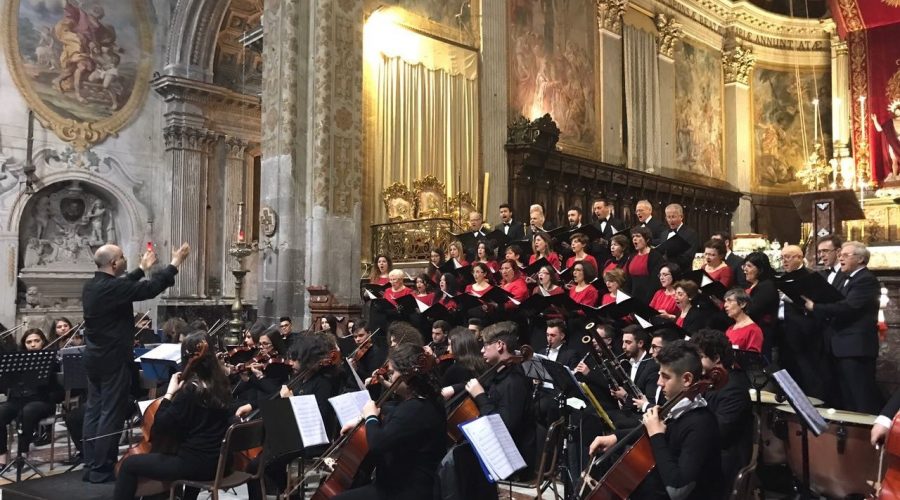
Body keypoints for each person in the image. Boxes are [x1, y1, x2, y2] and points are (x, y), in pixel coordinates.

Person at [81, 242, 189, 483]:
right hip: (113, 359)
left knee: (94, 410)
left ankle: (90, 464)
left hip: (94, 357)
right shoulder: (112, 289)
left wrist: (141, 268)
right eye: (121, 257)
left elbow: (123, 285)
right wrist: (175, 263)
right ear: (114, 263)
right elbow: (149, 289)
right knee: (110, 412)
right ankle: (101, 468)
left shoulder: (92, 286)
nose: (125, 259)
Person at [588, 340, 723, 500]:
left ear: (687, 380)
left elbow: (677, 490)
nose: (659, 383)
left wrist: (656, 436)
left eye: (666, 377)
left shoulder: (701, 424)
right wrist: (616, 437)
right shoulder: (678, 408)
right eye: (659, 374)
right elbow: (664, 432)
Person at [114, 333, 231, 500]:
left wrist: (169, 393)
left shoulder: (191, 390)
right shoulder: (222, 384)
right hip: (221, 464)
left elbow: (159, 427)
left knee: (128, 464)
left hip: (196, 465)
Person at [332, 343, 447, 500]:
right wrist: (365, 419)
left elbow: (378, 445)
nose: (390, 378)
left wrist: (371, 417)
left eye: (392, 373)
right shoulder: (425, 402)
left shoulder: (415, 409)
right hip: (404, 484)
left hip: (404, 490)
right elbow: (394, 416)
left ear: (406, 374)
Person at [803, 241, 882, 413]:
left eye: (846, 255)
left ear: (861, 259)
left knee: (861, 398)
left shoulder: (866, 280)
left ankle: (865, 436)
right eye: (840, 255)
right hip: (840, 347)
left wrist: (815, 307)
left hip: (856, 349)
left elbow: (849, 307)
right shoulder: (847, 279)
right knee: (846, 399)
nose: (841, 258)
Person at [462, 321, 537, 475]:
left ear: (499, 345)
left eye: (485, 345)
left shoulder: (514, 381)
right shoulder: (501, 373)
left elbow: (504, 427)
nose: (482, 350)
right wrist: (455, 388)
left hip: (513, 464)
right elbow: (483, 383)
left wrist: (480, 396)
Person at [690, 328, 752, 497]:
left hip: (723, 464)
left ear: (716, 358)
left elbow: (719, 432)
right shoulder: (709, 381)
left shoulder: (734, 388)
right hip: (707, 452)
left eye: (700, 357)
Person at [0, 329, 60, 467]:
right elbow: (5, 386)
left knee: (27, 411)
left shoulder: (51, 359)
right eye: (29, 342)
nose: (33, 344)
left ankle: (23, 452)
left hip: (42, 400)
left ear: (43, 342)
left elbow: (57, 388)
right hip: (17, 400)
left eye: (36, 341)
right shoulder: (16, 360)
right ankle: (2, 454)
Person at [778, 244, 826, 400]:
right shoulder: (782, 277)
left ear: (799, 257)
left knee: (807, 372)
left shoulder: (809, 277)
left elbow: (814, 303)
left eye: (788, 257)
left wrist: (789, 297)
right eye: (782, 257)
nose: (784, 261)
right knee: (788, 371)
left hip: (803, 331)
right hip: (783, 330)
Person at [611, 326, 659, 413]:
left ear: (640, 343)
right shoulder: (628, 363)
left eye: (628, 342)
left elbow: (650, 403)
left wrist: (625, 396)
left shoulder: (652, 367)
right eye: (623, 342)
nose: (623, 346)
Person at [742, 252, 779, 359]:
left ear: (760, 269)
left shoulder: (767, 286)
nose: (745, 269)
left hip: (761, 335)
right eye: (744, 265)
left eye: (749, 266)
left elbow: (752, 310)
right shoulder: (754, 285)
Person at [626, 227, 664, 304]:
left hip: (648, 299)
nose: (634, 239)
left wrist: (647, 302)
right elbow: (628, 280)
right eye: (633, 236)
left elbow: (655, 283)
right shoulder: (632, 256)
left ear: (647, 239)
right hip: (633, 298)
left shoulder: (655, 256)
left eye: (638, 236)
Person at [662, 204, 699, 271]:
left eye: (673, 217)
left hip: (682, 274)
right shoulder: (664, 234)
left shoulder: (690, 234)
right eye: (668, 217)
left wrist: (668, 257)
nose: (670, 220)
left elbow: (688, 257)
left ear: (681, 217)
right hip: (665, 274)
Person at [870, 101, 900, 181]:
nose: (898, 112)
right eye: (897, 110)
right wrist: (875, 120)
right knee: (894, 160)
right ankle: (894, 176)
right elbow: (880, 129)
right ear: (894, 111)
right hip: (893, 144)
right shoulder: (890, 123)